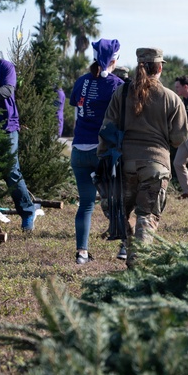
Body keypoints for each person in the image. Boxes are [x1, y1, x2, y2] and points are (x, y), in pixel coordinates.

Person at [99, 48, 188, 268]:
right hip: (156, 166)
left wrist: (101, 159)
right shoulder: (171, 97)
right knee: (146, 217)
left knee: (122, 213)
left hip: (125, 164)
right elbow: (177, 138)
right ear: (159, 68)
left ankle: (131, 252)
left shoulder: (121, 93)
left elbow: (107, 128)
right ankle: (139, 264)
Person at [69, 38, 125, 264]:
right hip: (102, 151)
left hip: (78, 150)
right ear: (114, 60)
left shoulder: (81, 81)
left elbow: (78, 107)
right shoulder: (116, 85)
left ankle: (82, 253)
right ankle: (124, 247)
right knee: (117, 201)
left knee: (85, 205)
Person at [0, 32, 41, 231]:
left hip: (7, 126)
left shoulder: (5, 67)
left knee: (11, 171)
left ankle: (27, 212)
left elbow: (7, 90)